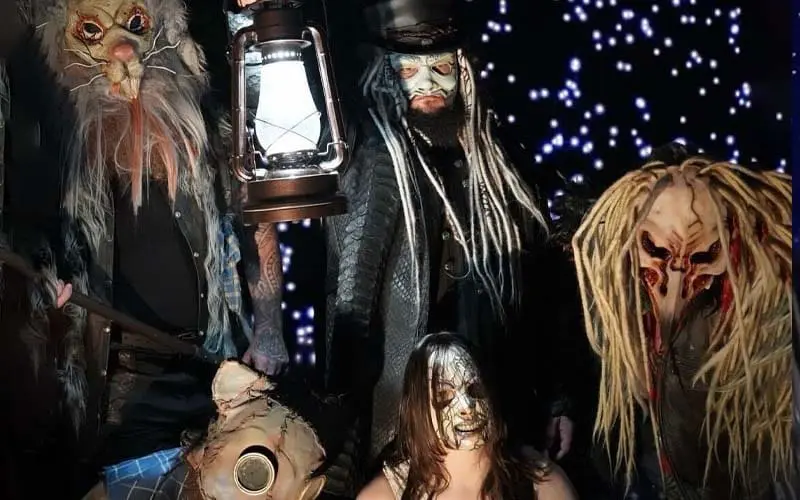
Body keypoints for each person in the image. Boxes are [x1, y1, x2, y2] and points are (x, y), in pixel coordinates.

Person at [0, 0, 288, 497]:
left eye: (135, 23)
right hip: (121, 389)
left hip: (213, 368)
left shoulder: (206, 131)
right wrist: (43, 291)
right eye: (92, 31)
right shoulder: (50, 150)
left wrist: (268, 328)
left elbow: (256, 223)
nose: (123, 48)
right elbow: (26, 245)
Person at [318, 1, 576, 495]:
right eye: (409, 71)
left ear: (463, 70)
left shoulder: (503, 165)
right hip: (402, 417)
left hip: (497, 404)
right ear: (385, 74)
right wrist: (344, 428)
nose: (428, 84)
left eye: (440, 68)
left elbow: (543, 294)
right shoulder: (374, 163)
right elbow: (351, 303)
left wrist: (558, 399)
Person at [571, 144, 794, 498]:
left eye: (705, 254)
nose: (675, 282)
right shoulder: (613, 304)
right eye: (656, 250)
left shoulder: (746, 321)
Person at [357, 333, 577, 500]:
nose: (467, 407)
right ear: (418, 408)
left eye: (474, 389)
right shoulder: (386, 494)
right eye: (445, 395)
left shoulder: (541, 482)